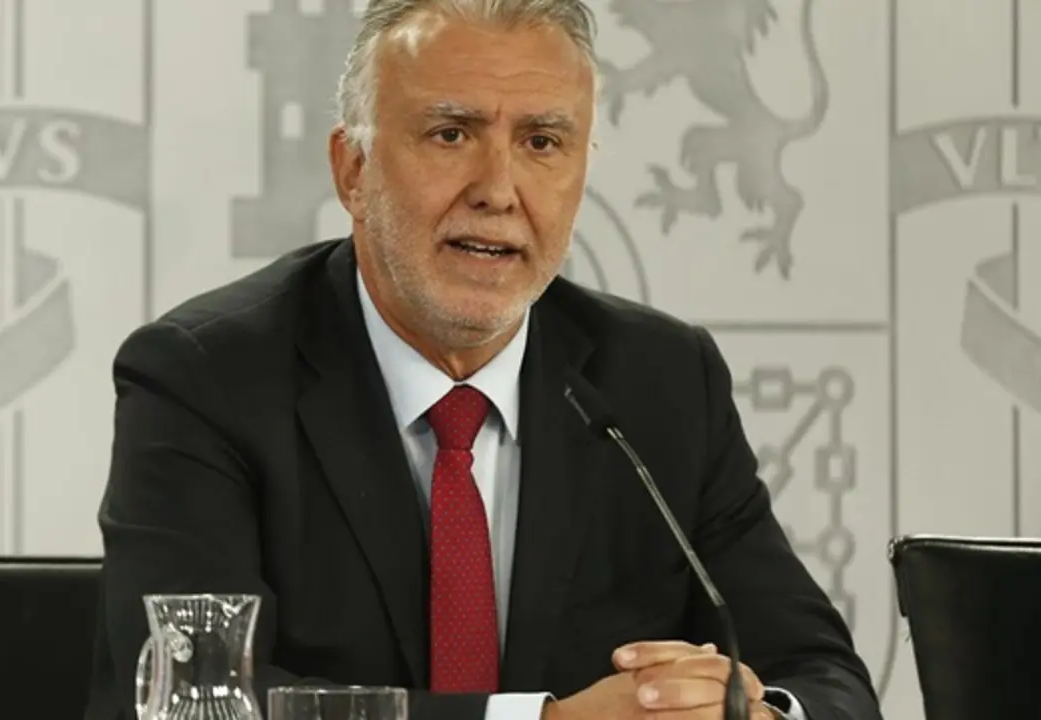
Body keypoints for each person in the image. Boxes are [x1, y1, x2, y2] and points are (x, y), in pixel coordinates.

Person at [84, 1, 883, 719]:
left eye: (542, 142)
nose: (498, 190)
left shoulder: (662, 383)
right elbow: (189, 698)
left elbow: (823, 678)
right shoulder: (206, 377)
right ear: (353, 170)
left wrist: (750, 716)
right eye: (451, 134)